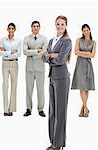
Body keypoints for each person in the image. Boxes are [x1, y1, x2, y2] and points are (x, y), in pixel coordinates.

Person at [42, 16, 72, 150]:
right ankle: (53, 141)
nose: (60, 26)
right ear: (55, 25)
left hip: (62, 78)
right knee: (52, 111)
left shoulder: (67, 41)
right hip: (52, 77)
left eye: (62, 24)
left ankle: (58, 144)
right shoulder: (51, 40)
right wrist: (51, 55)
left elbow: (60, 60)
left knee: (60, 112)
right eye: (58, 24)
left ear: (66, 26)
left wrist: (51, 55)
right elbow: (43, 56)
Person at [23, 21, 48, 117]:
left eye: (37, 26)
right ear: (31, 27)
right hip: (29, 68)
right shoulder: (26, 38)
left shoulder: (44, 39)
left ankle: (41, 109)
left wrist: (32, 52)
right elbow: (25, 52)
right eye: (34, 26)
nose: (36, 28)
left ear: (39, 27)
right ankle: (28, 109)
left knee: (41, 89)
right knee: (29, 89)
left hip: (40, 67)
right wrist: (37, 50)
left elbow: (44, 52)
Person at [71, 24, 96, 117]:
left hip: (88, 66)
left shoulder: (94, 42)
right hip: (80, 65)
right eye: (84, 30)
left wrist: (82, 53)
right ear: (82, 31)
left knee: (86, 88)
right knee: (82, 87)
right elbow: (75, 52)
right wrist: (87, 53)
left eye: (87, 30)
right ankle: (86, 109)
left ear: (90, 30)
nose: (86, 32)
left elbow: (93, 55)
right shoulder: (78, 40)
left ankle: (83, 108)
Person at [0, 23, 22, 116]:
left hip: (14, 63)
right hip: (5, 63)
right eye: (9, 28)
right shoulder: (2, 40)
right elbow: (0, 53)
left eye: (12, 28)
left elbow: (19, 54)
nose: (11, 30)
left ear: (15, 29)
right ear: (7, 29)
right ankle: (5, 109)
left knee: (14, 85)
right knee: (5, 85)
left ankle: (11, 109)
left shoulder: (19, 40)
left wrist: (6, 52)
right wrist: (11, 52)